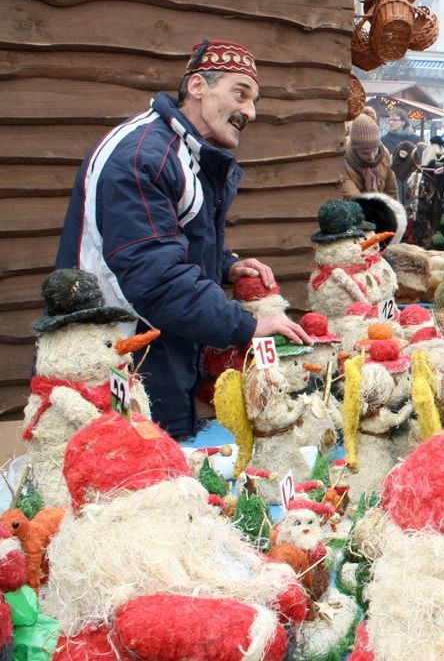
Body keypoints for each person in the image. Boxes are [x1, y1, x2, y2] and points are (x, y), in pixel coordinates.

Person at [55, 40, 311, 438]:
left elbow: (168, 238)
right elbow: (155, 280)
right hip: (120, 357)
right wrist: (245, 326)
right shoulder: (142, 156)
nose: (250, 112)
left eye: (254, 100)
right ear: (197, 87)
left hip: (155, 354)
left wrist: (225, 264)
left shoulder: (182, 150)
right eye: (240, 94)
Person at [340, 114, 398, 199]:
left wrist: (394, 210)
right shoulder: (342, 162)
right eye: (365, 153)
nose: (371, 157)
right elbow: (351, 195)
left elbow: (391, 190)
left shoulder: (384, 155)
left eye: (374, 151)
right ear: (355, 150)